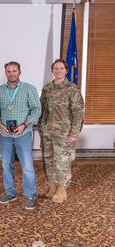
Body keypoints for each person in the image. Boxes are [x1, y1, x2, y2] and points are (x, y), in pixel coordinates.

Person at [0, 61, 41, 210]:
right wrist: (1, 125)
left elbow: (36, 110)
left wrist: (24, 125)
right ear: (5, 73)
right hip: (5, 134)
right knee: (6, 165)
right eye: (8, 71)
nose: (11, 73)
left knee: (27, 166)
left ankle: (30, 195)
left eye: (14, 71)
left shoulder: (29, 89)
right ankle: (10, 192)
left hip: (23, 133)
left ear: (20, 72)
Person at [39, 59, 84, 203]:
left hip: (64, 133)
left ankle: (62, 190)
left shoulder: (72, 89)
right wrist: (41, 127)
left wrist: (74, 134)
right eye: (56, 69)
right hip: (47, 131)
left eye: (61, 68)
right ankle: (52, 187)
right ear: (52, 70)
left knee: (62, 161)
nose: (58, 71)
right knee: (49, 160)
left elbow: (78, 113)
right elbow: (43, 109)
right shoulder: (47, 88)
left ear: (66, 71)